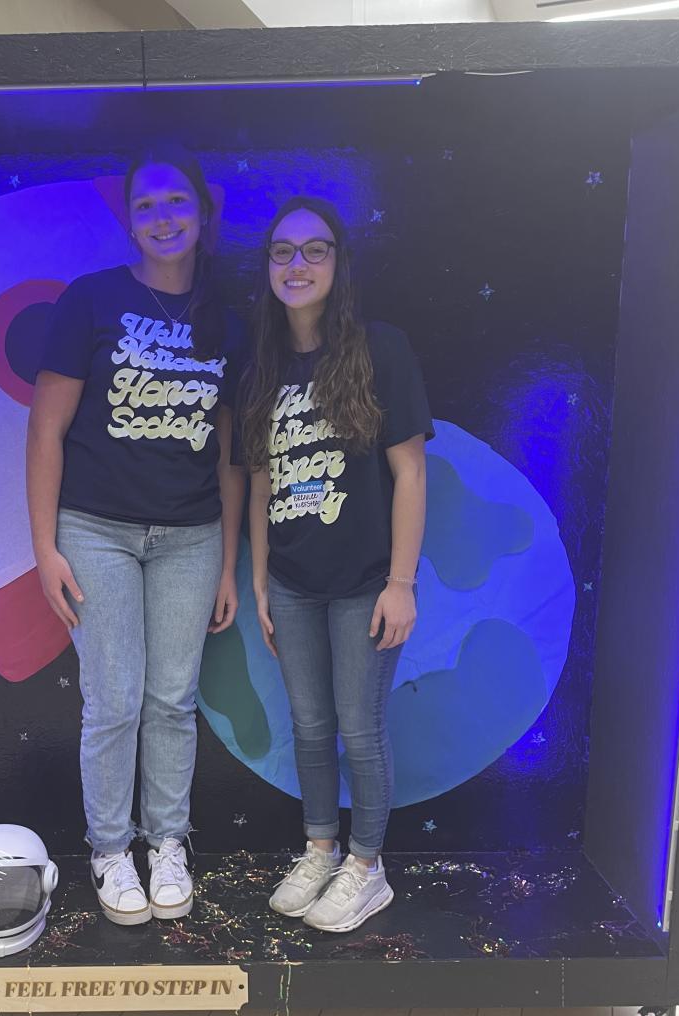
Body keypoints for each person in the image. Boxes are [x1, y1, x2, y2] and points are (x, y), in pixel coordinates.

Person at [26, 146, 244, 926]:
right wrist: (45, 547)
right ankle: (111, 850)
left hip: (192, 537)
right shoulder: (91, 300)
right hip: (96, 532)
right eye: (146, 205)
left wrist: (228, 560)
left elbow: (229, 452)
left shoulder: (227, 317)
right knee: (114, 701)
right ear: (129, 220)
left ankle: (168, 844)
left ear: (203, 213)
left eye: (176, 201)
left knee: (172, 700)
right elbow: (46, 431)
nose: (162, 217)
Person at [240, 195, 432, 933]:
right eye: (283, 251)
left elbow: (410, 473)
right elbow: (261, 479)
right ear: (268, 266)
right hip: (293, 584)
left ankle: (367, 867)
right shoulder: (263, 362)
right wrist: (260, 580)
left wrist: (401, 584)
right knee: (310, 725)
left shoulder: (381, 349)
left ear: (338, 262)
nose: (298, 264)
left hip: (365, 584)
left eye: (314, 249)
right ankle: (320, 849)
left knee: (360, 727)